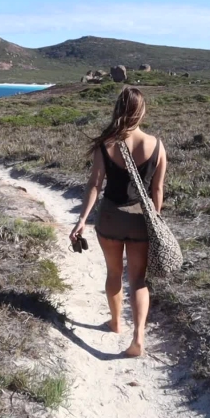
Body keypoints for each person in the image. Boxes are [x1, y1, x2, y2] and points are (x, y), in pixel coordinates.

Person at [69, 87, 167, 357]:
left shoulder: (106, 143)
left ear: (118, 109)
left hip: (110, 218)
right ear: (141, 111)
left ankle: (115, 323)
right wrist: (154, 221)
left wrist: (82, 219)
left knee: (114, 274)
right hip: (139, 221)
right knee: (137, 279)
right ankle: (138, 339)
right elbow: (157, 191)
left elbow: (95, 185)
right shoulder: (156, 146)